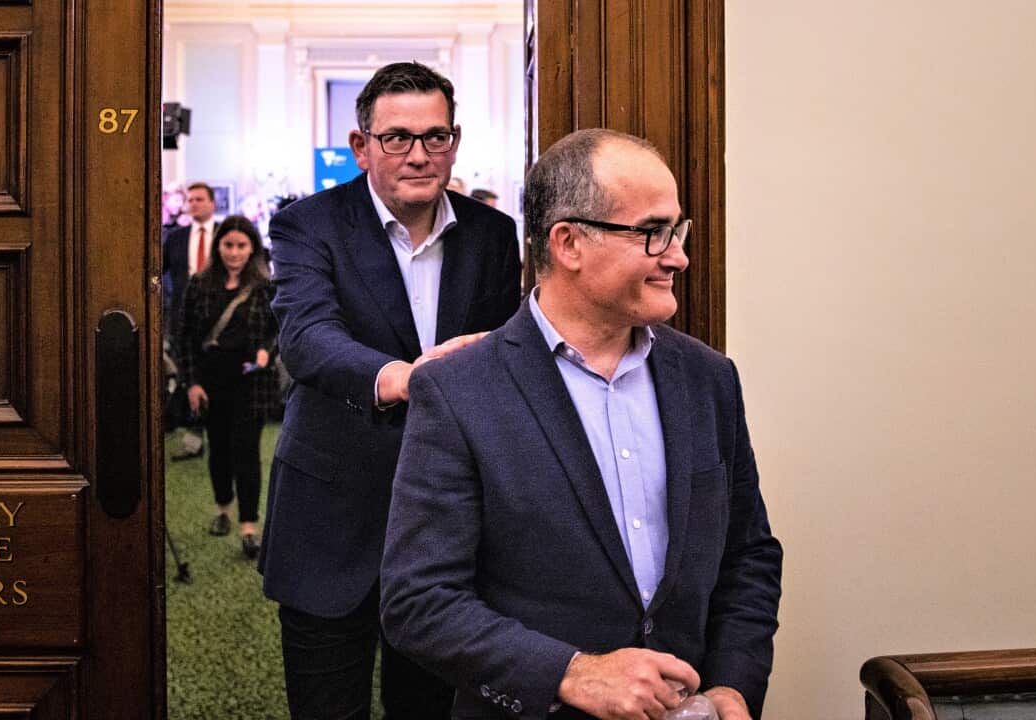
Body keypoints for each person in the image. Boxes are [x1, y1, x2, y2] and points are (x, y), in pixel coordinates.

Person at [380, 129, 783, 720]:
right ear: (568, 242)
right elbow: (418, 601)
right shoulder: (460, 390)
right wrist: (572, 674)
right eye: (653, 233)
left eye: (677, 231)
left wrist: (732, 686)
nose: (678, 256)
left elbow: (748, 554)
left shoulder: (708, 378)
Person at [258, 61, 522, 719]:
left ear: (454, 141)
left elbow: (503, 354)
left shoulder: (492, 235)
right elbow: (308, 337)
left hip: (449, 526)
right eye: (396, 138)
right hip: (330, 517)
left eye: (435, 137)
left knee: (430, 709)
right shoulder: (308, 225)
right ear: (361, 146)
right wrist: (405, 378)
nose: (418, 155)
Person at [177, 215, 279, 559]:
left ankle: (249, 527)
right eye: (228, 245)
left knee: (247, 453)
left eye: (241, 246)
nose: (234, 253)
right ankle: (224, 508)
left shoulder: (266, 287)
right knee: (218, 450)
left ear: (252, 248)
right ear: (218, 245)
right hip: (210, 383)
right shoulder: (199, 285)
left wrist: (268, 350)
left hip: (252, 383)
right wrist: (191, 383)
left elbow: (278, 329)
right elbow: (185, 338)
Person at [163, 182, 217, 460]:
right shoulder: (175, 238)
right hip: (183, 320)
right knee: (189, 376)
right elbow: (158, 272)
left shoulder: (225, 235)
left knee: (215, 376)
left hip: (220, 319)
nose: (193, 204)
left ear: (212, 203)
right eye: (190, 199)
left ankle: (218, 435)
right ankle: (194, 440)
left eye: (199, 199)